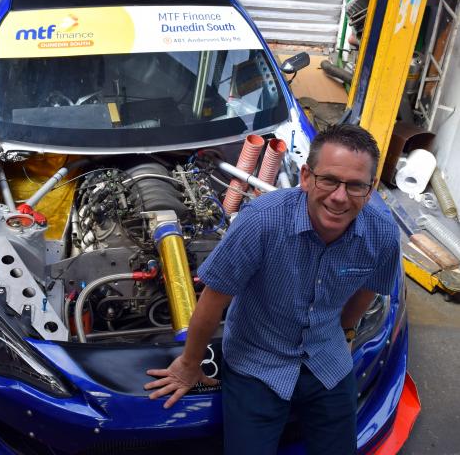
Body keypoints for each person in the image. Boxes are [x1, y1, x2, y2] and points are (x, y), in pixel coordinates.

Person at [144, 124, 401, 455]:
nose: (339, 196)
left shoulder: (382, 235)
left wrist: (346, 334)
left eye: (355, 186)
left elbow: (368, 288)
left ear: (371, 188)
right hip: (257, 361)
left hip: (327, 358)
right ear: (306, 177)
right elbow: (212, 300)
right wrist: (189, 364)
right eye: (329, 180)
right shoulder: (262, 222)